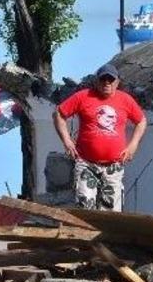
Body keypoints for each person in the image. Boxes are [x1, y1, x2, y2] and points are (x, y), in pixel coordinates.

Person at [53, 63, 147, 211]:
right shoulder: (83, 96)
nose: (107, 83)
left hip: (113, 166)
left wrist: (133, 145)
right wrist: (66, 141)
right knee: (85, 207)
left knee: (111, 212)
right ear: (97, 81)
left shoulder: (125, 100)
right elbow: (59, 114)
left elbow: (141, 121)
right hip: (86, 163)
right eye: (103, 79)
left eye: (111, 79)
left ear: (117, 82)